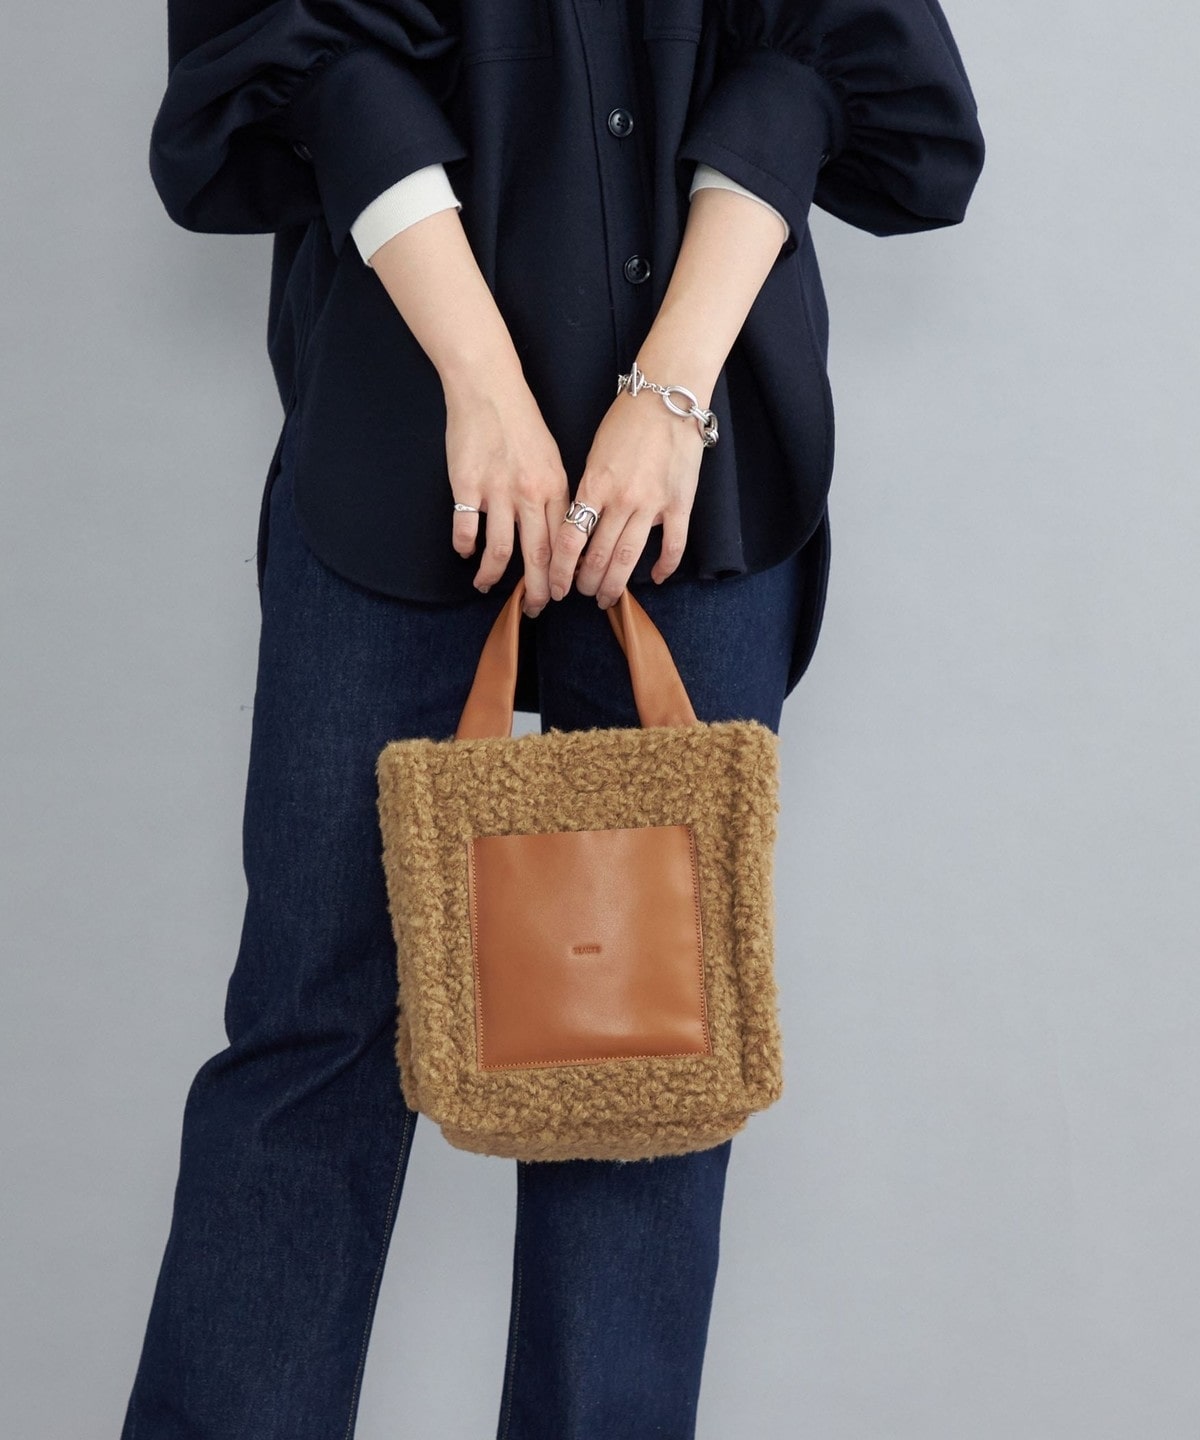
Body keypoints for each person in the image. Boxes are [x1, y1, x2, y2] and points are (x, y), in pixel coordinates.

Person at [121, 2, 985, 1436]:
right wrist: (481, 381)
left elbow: (822, 53)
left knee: (647, 1045)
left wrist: (669, 392)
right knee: (311, 1029)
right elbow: (306, 53)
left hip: (695, 458)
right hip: (403, 420)